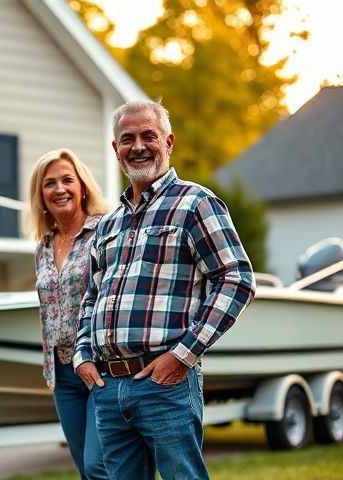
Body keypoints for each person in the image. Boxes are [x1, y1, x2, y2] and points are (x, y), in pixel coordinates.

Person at [73, 100, 256, 480]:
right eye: (127, 139)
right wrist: (82, 357)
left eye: (148, 136)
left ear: (168, 142)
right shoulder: (108, 225)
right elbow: (91, 296)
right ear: (115, 149)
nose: (137, 146)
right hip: (109, 388)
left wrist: (182, 355)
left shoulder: (195, 204)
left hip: (166, 384)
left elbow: (236, 279)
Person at [29, 148, 112, 480]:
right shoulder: (43, 247)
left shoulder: (105, 231)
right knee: (85, 468)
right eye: (50, 183)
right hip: (63, 375)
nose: (59, 189)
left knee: (99, 465)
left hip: (100, 367)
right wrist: (51, 369)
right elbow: (45, 311)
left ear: (82, 187)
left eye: (67, 180)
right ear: (41, 195)